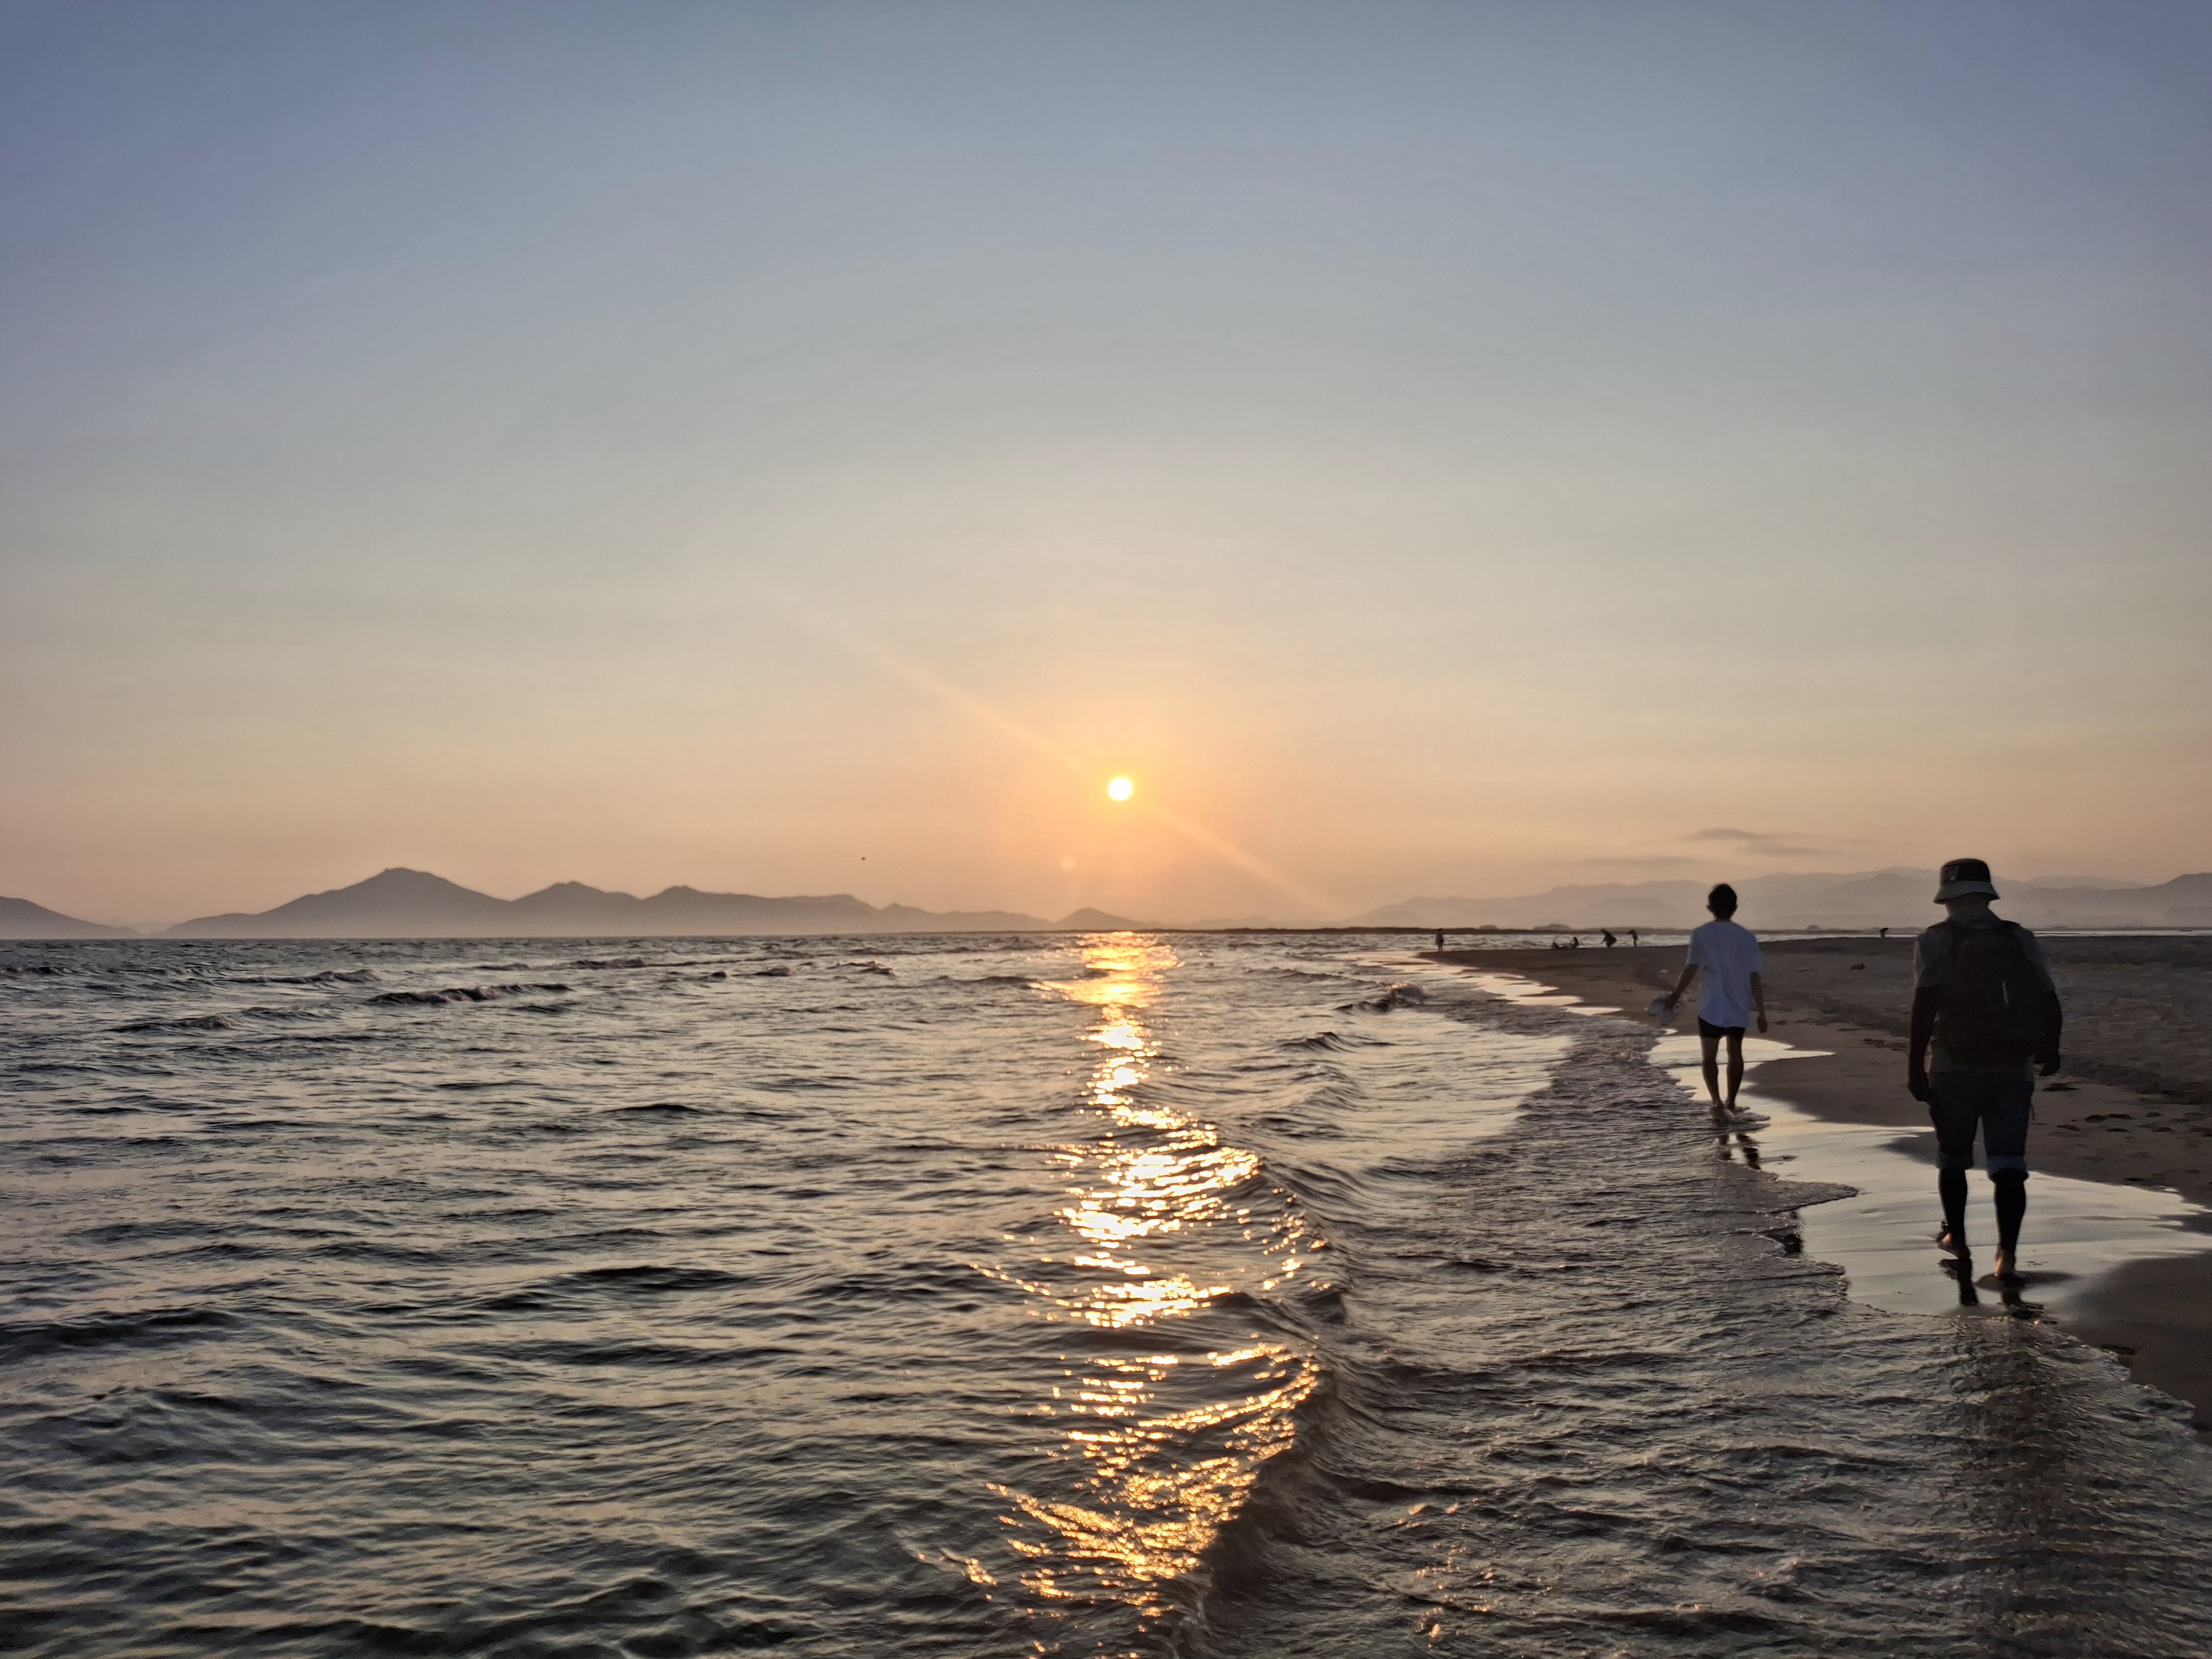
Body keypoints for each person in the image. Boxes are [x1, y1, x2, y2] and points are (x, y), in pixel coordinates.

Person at [1907, 858, 2062, 1286]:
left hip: (1954, 1065)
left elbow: (1924, 1006)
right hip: (2013, 1066)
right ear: (1987, 895)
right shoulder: (2018, 937)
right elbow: (2048, 996)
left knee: (1953, 1158)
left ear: (1948, 899)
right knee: (2009, 1163)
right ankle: (2006, 1256)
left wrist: (1915, 1067)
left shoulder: (1935, 939)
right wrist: (2051, 1047)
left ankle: (1957, 1238)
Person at [1663, 884, 1767, 1115]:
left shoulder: (1701, 934)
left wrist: (1675, 995)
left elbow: (1691, 968)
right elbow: (1754, 976)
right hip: (1738, 1005)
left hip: (1711, 1005)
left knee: (1709, 1056)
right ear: (1735, 908)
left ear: (1710, 908)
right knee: (1736, 1053)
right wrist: (1761, 1011)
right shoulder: (1747, 937)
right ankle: (1731, 1102)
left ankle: (1717, 1102)